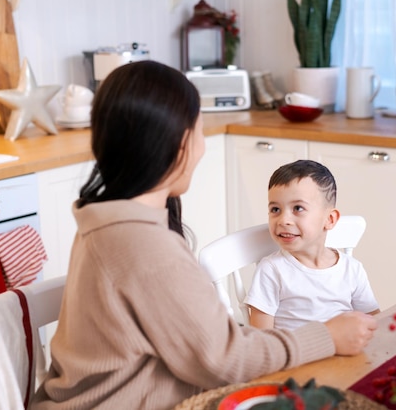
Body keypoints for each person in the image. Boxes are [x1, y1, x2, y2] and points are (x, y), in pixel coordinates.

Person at [30, 61, 377, 410]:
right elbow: (227, 359)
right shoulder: (145, 247)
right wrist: (327, 336)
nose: (203, 146)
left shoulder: (108, 220)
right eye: (198, 130)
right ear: (176, 142)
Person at [245, 160, 380, 330]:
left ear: (329, 219)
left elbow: (374, 323)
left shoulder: (351, 270)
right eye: (275, 210)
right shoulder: (272, 270)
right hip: (296, 355)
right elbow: (262, 339)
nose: (283, 220)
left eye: (298, 208)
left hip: (343, 354)